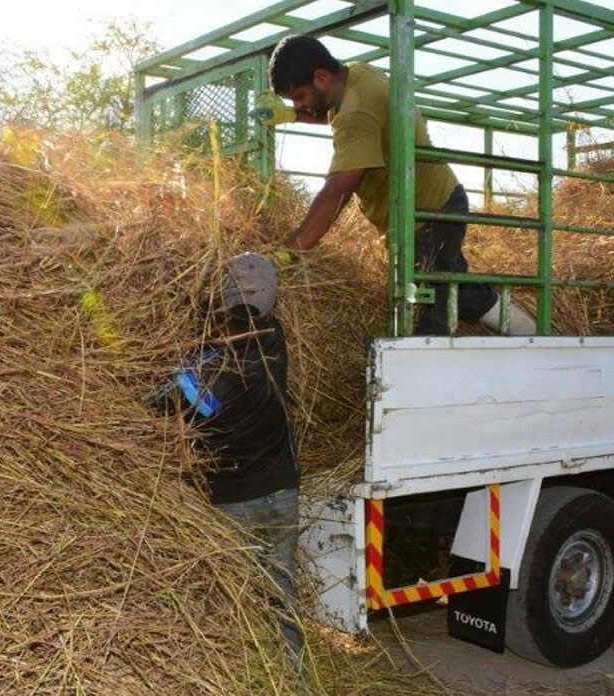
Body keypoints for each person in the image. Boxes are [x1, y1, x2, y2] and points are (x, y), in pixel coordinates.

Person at [264, 34, 536, 336]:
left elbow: (336, 192)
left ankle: (526, 337)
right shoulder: (359, 76)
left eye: (299, 97)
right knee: (451, 286)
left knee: (432, 311)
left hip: (429, 214)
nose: (300, 104)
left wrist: (290, 251)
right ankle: (530, 333)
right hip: (429, 208)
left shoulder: (356, 111)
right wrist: (292, 116)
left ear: (321, 77)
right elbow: (340, 112)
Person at [149, 252, 304, 661]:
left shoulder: (212, 361)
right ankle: (295, 680)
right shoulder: (276, 338)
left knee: (238, 602)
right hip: (283, 492)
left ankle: (253, 680)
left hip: (234, 502)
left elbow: (178, 401)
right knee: (280, 597)